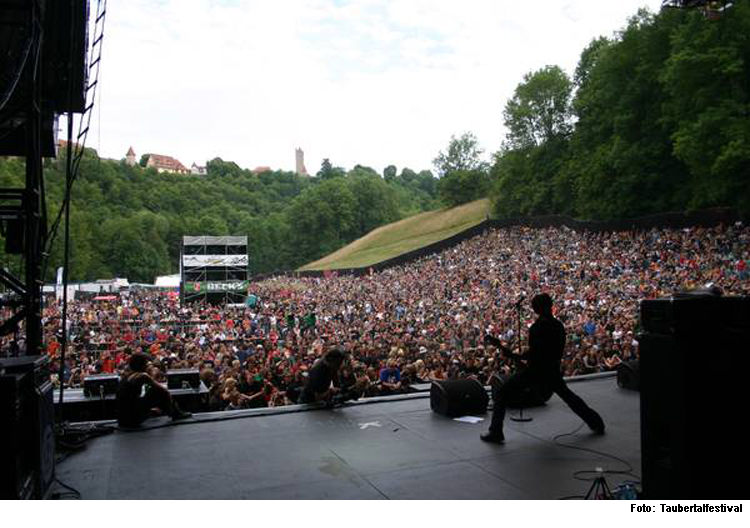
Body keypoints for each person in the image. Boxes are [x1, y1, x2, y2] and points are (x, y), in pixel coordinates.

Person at [480, 293, 605, 443]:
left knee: (501, 394)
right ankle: (596, 422)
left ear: (536, 309)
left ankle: (496, 432)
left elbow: (534, 353)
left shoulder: (537, 328)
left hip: (535, 371)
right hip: (552, 369)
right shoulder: (558, 325)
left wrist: (516, 356)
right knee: (570, 398)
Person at [116, 352, 192, 428]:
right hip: (134, 419)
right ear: (143, 365)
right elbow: (164, 391)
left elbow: (142, 394)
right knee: (160, 393)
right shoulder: (142, 376)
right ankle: (175, 413)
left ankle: (169, 411)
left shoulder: (126, 376)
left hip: (123, 420)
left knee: (152, 390)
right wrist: (151, 377)